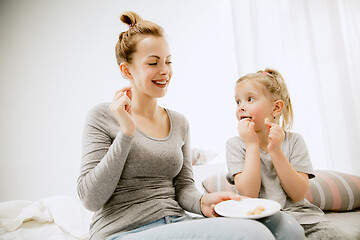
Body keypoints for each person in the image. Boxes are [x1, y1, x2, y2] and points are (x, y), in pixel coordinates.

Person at [77, 11, 305, 240]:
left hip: (175, 221)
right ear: (127, 70)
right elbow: (90, 199)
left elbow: (184, 187)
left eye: (168, 61)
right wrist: (126, 132)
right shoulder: (103, 117)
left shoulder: (178, 122)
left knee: (284, 225)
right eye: (153, 62)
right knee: (253, 234)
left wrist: (203, 202)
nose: (165, 70)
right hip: (123, 231)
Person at [226, 68, 350, 239]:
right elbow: (248, 194)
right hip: (260, 221)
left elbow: (298, 193)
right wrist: (252, 145)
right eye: (238, 102)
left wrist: (276, 151)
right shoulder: (236, 145)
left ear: (276, 108)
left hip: (304, 219)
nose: (241, 107)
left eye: (249, 99)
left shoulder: (295, 141)